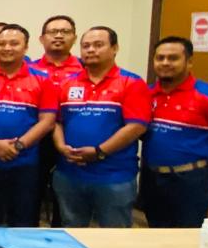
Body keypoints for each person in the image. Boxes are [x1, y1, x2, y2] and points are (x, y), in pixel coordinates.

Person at [54, 26, 150, 227]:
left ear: (115, 48)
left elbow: (137, 126)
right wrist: (61, 146)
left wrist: (99, 152)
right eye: (86, 46)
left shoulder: (131, 83)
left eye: (98, 45)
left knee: (114, 235)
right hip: (70, 173)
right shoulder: (67, 83)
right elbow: (57, 122)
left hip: (114, 176)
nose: (91, 50)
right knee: (71, 230)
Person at [0, 24, 58, 226]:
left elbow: (48, 121)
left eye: (14, 43)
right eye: (2, 43)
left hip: (24, 162)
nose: (7, 48)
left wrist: (19, 146)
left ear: (26, 47)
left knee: (23, 219)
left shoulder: (42, 80)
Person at [142, 36, 208, 227]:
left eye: (173, 58)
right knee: (156, 233)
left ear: (189, 62)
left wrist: (199, 157)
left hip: (190, 181)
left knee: (188, 235)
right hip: (152, 178)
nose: (165, 63)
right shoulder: (146, 93)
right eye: (160, 58)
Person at [32, 15, 83, 224]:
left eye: (65, 32)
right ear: (42, 38)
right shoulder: (30, 69)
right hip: (36, 138)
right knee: (33, 191)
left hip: (71, 138)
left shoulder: (85, 69)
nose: (59, 36)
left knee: (67, 197)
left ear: (74, 38)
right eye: (53, 32)